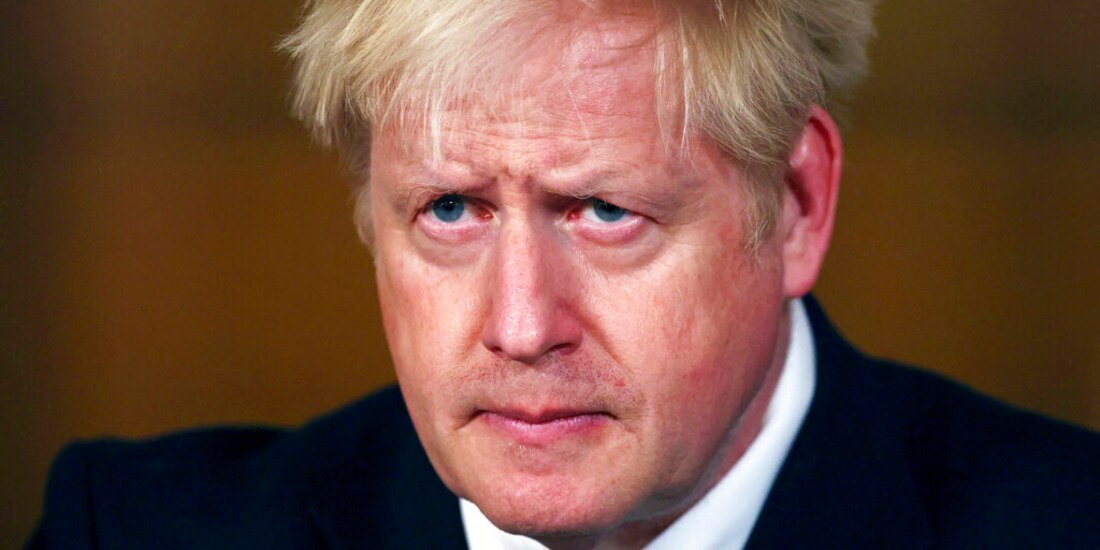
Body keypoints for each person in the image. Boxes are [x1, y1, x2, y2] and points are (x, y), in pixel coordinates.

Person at [28, 0, 1100, 548]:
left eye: (601, 211)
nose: (522, 324)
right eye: (449, 209)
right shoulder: (126, 532)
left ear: (795, 204)